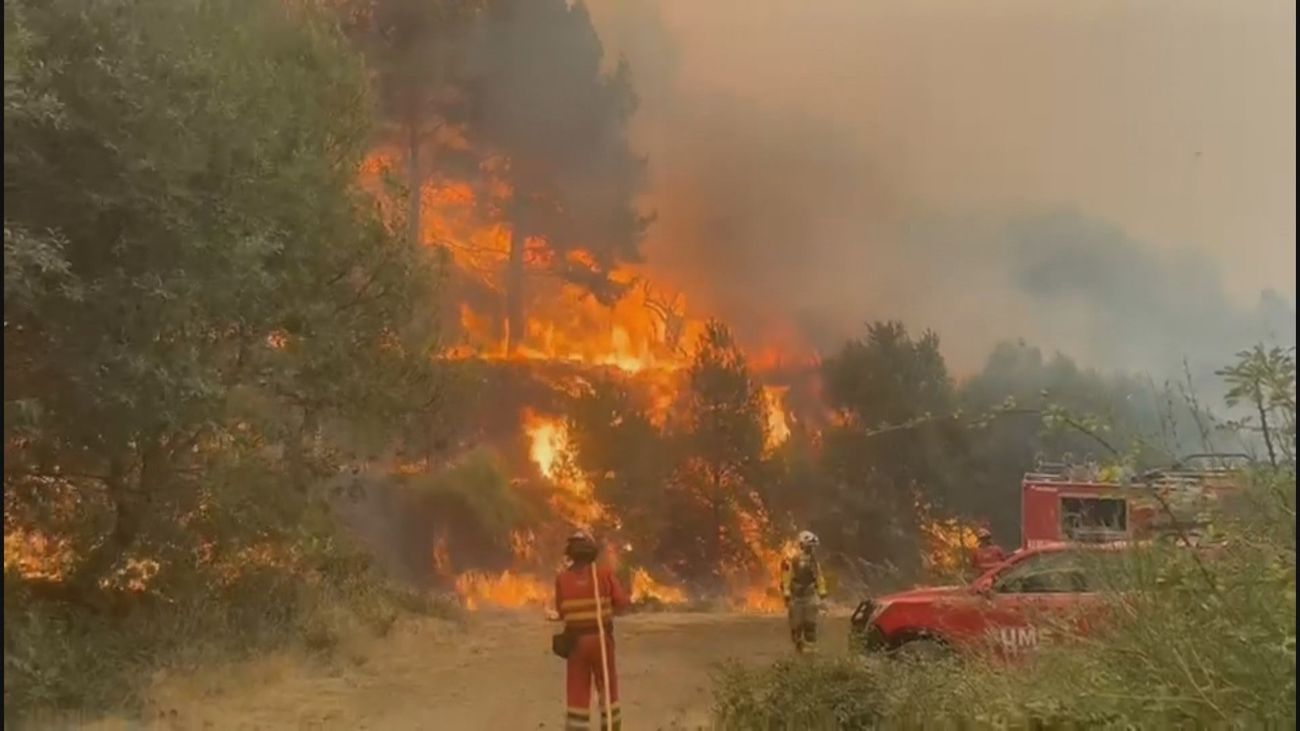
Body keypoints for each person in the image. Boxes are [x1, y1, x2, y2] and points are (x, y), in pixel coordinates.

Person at [554, 531, 629, 731]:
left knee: (577, 693)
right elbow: (622, 602)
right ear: (592, 552)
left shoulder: (562, 579)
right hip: (602, 640)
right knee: (608, 691)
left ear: (570, 553)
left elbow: (562, 611)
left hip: (576, 644)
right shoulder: (603, 574)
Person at [780, 530, 828, 653]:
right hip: (796, 597)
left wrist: (822, 590)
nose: (811, 549)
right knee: (796, 624)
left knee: (811, 622)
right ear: (802, 545)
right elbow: (787, 576)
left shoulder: (813, 561)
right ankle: (798, 646)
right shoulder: (792, 560)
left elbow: (818, 576)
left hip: (810, 594)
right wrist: (786, 591)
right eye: (809, 546)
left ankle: (811, 646)